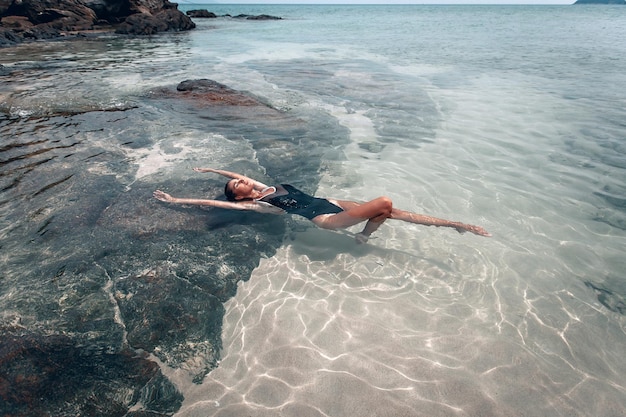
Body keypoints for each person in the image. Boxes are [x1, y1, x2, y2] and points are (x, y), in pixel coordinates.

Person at [153, 168, 491, 243]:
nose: (241, 182)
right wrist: (176, 200)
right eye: (236, 186)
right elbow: (215, 203)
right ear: (239, 196)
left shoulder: (262, 186)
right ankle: (363, 236)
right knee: (385, 202)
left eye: (240, 180)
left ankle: (455, 224)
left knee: (392, 211)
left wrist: (213, 170)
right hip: (326, 217)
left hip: (331, 201)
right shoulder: (258, 205)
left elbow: (235, 173)